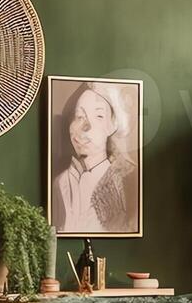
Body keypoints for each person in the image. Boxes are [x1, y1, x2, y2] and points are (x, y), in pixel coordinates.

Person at [53, 81, 137, 234]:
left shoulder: (127, 180)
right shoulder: (61, 182)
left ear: (112, 125)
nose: (86, 126)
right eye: (79, 116)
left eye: (99, 116)